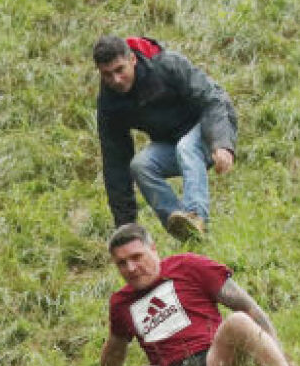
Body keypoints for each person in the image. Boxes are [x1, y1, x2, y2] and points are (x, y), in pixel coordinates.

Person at [99, 223, 298, 366]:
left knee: (238, 320)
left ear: (153, 249)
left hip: (217, 361)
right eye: (122, 263)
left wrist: (281, 355)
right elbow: (114, 352)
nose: (131, 268)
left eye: (136, 257)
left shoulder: (188, 265)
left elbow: (251, 309)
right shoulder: (120, 303)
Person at [93, 35, 239, 241]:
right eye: (107, 75)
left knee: (187, 147)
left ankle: (197, 218)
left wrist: (221, 143)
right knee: (140, 165)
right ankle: (186, 231)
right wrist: (126, 227)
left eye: (120, 70)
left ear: (132, 60)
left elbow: (212, 102)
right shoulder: (110, 104)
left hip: (211, 125)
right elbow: (115, 163)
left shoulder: (166, 65)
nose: (115, 80)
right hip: (173, 140)